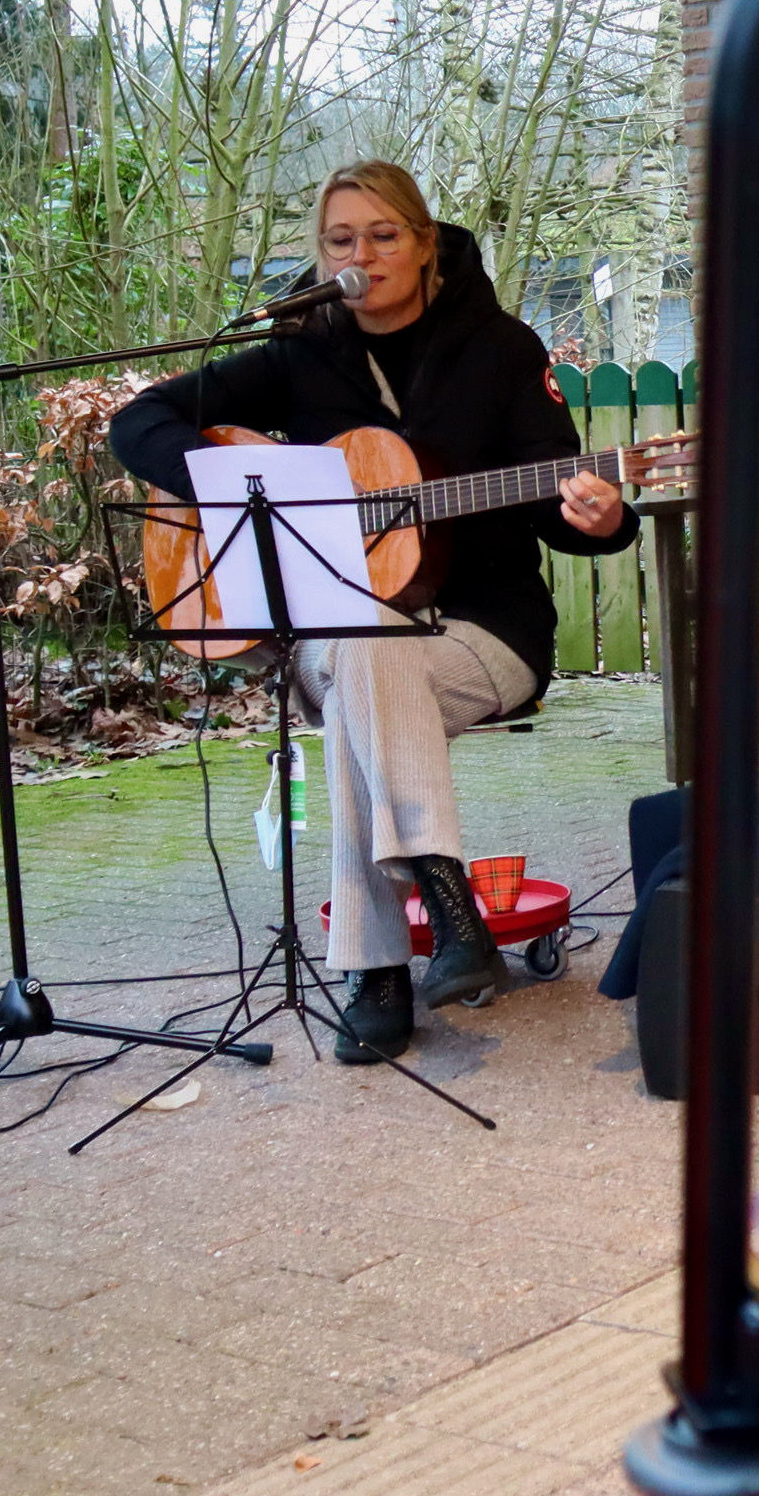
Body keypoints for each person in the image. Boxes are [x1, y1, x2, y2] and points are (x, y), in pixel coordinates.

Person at [112, 162, 637, 1065]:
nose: (363, 254)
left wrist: (607, 518)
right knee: (360, 637)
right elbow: (141, 420)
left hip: (483, 633)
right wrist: (222, 487)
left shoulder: (501, 350)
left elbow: (562, 509)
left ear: (426, 244)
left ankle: (375, 970)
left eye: (383, 235)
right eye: (341, 240)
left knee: (365, 658)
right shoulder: (299, 355)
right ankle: (444, 897)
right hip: (332, 634)